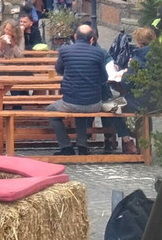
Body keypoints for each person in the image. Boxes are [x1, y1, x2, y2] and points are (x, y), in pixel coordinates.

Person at [46, 23, 137, 155]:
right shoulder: (99, 53)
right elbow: (104, 77)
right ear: (92, 39)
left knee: (50, 111)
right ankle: (82, 146)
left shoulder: (65, 51)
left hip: (70, 102)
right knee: (83, 107)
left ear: (75, 36)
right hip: (94, 103)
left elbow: (59, 69)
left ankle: (66, 147)